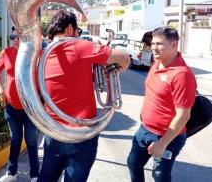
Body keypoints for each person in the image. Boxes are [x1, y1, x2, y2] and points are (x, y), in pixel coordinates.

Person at [38, 10, 130, 182]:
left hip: (53, 130)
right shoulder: (78, 46)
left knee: (47, 177)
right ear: (69, 29)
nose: (77, 35)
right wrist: (111, 73)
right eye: (77, 31)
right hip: (81, 133)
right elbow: (124, 58)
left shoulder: (42, 53)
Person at [127, 27, 197, 182]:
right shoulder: (157, 62)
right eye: (153, 43)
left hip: (166, 137)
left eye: (159, 44)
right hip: (144, 129)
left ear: (174, 44)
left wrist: (162, 144)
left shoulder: (181, 75)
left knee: (160, 176)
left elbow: (183, 115)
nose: (153, 47)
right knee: (133, 164)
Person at [0, 27, 39, 182]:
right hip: (11, 105)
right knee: (15, 139)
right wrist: (0, 90)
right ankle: (11, 173)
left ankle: (34, 175)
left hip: (30, 107)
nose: (15, 40)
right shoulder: (6, 53)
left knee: (32, 141)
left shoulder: (34, 54)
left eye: (19, 36)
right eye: (13, 36)